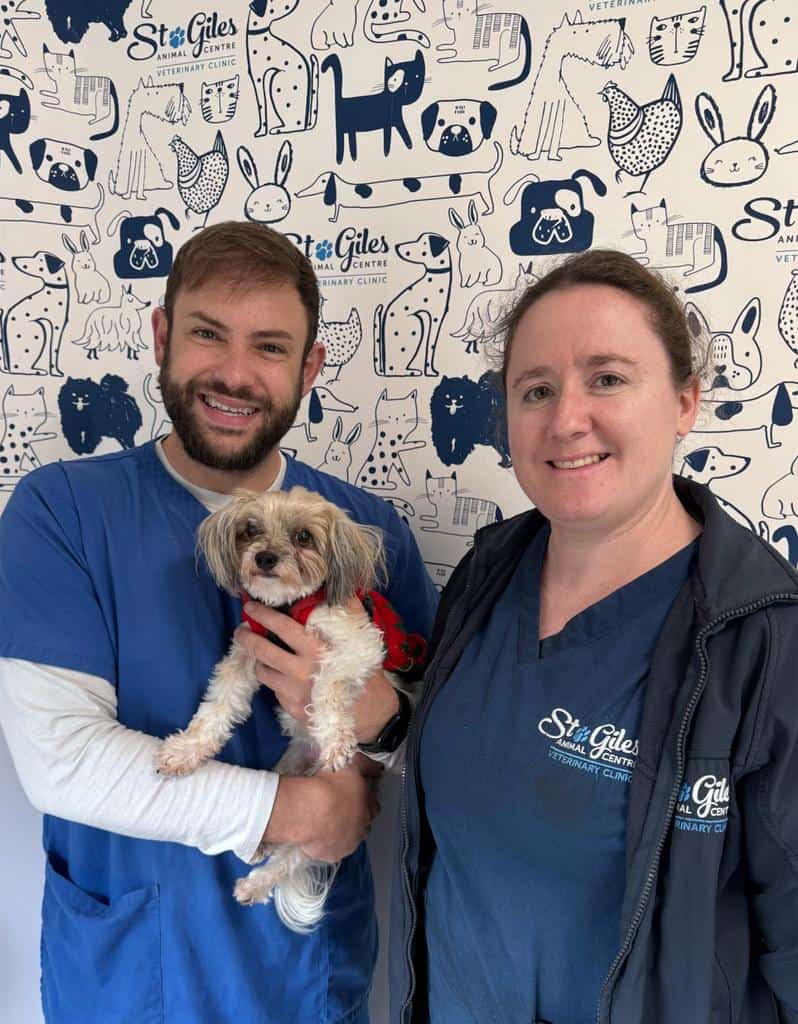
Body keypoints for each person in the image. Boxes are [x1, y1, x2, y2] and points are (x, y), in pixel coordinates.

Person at [0, 221, 438, 1024]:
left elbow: (448, 751)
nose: (235, 374)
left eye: (270, 346)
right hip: (128, 976)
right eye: (208, 334)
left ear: (310, 367)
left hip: (305, 971)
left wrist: (382, 720)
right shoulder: (60, 513)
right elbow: (61, 761)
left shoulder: (367, 532)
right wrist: (304, 810)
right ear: (163, 336)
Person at [391, 249, 798, 1024]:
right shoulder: (485, 576)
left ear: (684, 400)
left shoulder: (763, 638)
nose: (566, 419)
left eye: (607, 378)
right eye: (536, 390)